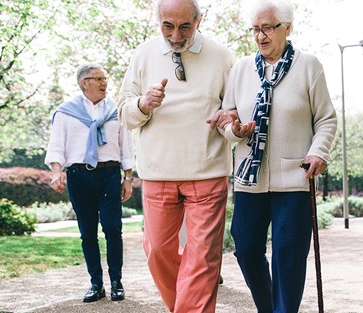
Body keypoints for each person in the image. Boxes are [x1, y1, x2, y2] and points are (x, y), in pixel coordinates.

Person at [216, 0, 337, 311]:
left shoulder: (309, 66)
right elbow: (227, 118)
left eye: (267, 27)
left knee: (288, 253)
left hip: (294, 179)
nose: (260, 36)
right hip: (249, 179)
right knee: (245, 248)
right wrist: (235, 130)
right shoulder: (241, 69)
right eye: (255, 29)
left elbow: (326, 119)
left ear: (287, 28)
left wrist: (318, 151)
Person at [117, 0, 234, 311]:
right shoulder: (143, 53)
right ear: (158, 21)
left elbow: (234, 110)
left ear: (199, 19)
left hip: (207, 172)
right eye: (168, 25)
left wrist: (232, 122)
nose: (176, 34)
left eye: (185, 26)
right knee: (157, 251)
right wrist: (143, 104)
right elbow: (124, 114)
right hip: (158, 172)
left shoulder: (221, 56)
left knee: (203, 259)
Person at [45, 63, 134, 303]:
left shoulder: (116, 110)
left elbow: (126, 145)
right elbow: (57, 146)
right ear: (85, 83)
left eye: (105, 78)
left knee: (113, 228)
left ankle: (116, 282)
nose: (105, 82)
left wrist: (128, 178)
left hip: (109, 175)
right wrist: (56, 171)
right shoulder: (66, 112)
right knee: (87, 233)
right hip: (79, 176)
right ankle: (96, 284)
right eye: (99, 78)